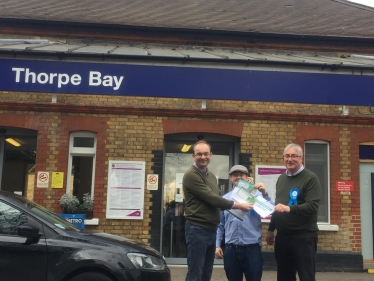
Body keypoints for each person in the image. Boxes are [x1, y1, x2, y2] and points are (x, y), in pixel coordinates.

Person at [183, 140, 254, 281]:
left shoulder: (211, 176)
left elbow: (218, 198)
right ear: (193, 156)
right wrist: (239, 205)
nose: (203, 157)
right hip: (197, 229)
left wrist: (247, 189)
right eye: (199, 154)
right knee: (195, 273)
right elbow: (213, 199)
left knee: (206, 273)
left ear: (211, 154)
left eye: (206, 154)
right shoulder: (191, 175)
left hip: (210, 229)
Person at [265, 143, 322, 281]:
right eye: (287, 156)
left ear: (301, 158)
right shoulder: (281, 179)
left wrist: (289, 208)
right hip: (283, 237)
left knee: (306, 277)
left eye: (294, 156)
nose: (290, 159)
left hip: (304, 238)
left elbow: (312, 206)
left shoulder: (310, 178)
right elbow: (277, 207)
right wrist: (271, 229)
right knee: (284, 277)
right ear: (283, 158)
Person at [215, 165, 272, 281]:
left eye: (241, 175)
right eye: (235, 175)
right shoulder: (225, 199)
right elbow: (220, 225)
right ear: (230, 178)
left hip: (252, 249)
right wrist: (217, 245)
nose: (238, 177)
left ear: (247, 177)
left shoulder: (256, 196)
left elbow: (271, 210)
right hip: (231, 249)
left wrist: (265, 193)